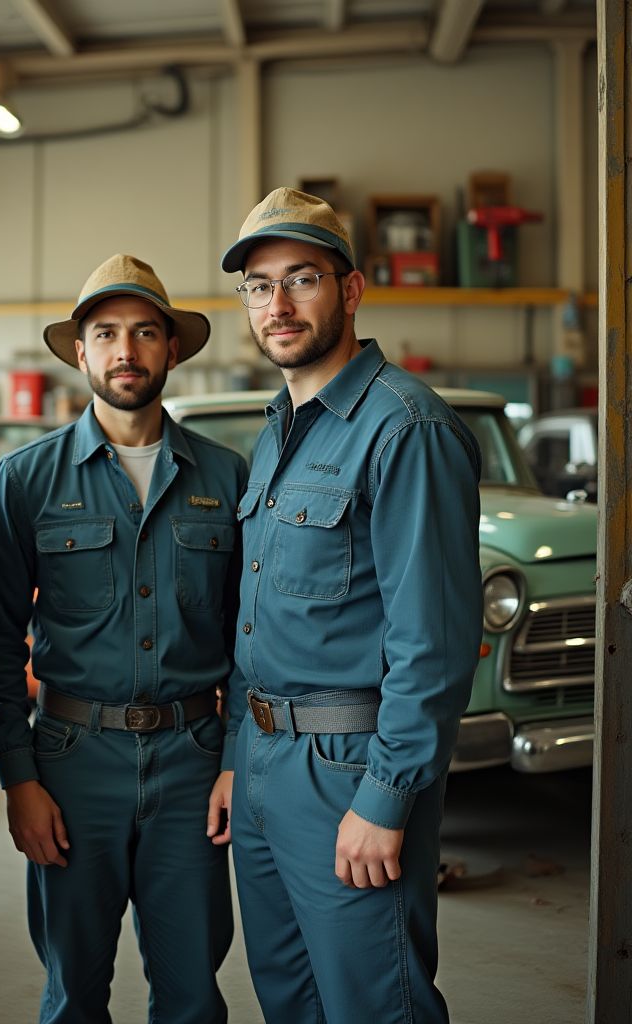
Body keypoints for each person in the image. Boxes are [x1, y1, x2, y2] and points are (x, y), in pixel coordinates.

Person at [215, 189, 483, 1023]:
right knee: (288, 1000)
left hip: (349, 769)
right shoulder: (279, 431)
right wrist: (236, 754)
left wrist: (387, 794)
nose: (278, 305)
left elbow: (433, 641)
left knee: (376, 1002)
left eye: (301, 279)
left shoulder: (406, 428)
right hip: (263, 763)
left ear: (352, 289)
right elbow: (256, 617)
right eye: (259, 286)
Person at [0, 254, 247, 1024]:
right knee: (73, 995)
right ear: (81, 353)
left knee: (193, 995)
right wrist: (18, 779)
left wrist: (235, 761)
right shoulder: (27, 479)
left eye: (145, 332)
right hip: (70, 764)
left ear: (172, 349)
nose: (126, 350)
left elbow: (251, 637)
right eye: (106, 334)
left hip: (193, 763)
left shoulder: (226, 478)